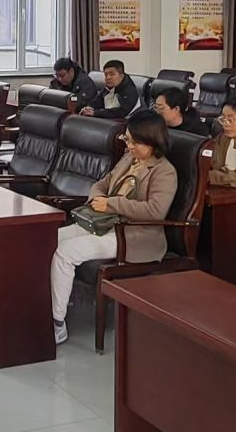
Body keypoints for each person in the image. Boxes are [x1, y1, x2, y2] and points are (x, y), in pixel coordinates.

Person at [51, 111, 178, 344]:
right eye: (127, 139)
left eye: (134, 142)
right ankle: (43, 305)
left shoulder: (165, 171)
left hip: (134, 235)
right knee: (48, 239)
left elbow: (155, 211)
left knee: (65, 252)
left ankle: (57, 322)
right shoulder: (129, 159)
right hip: (104, 222)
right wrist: (98, 198)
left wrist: (111, 204)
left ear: (152, 141)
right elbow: (103, 183)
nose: (129, 146)